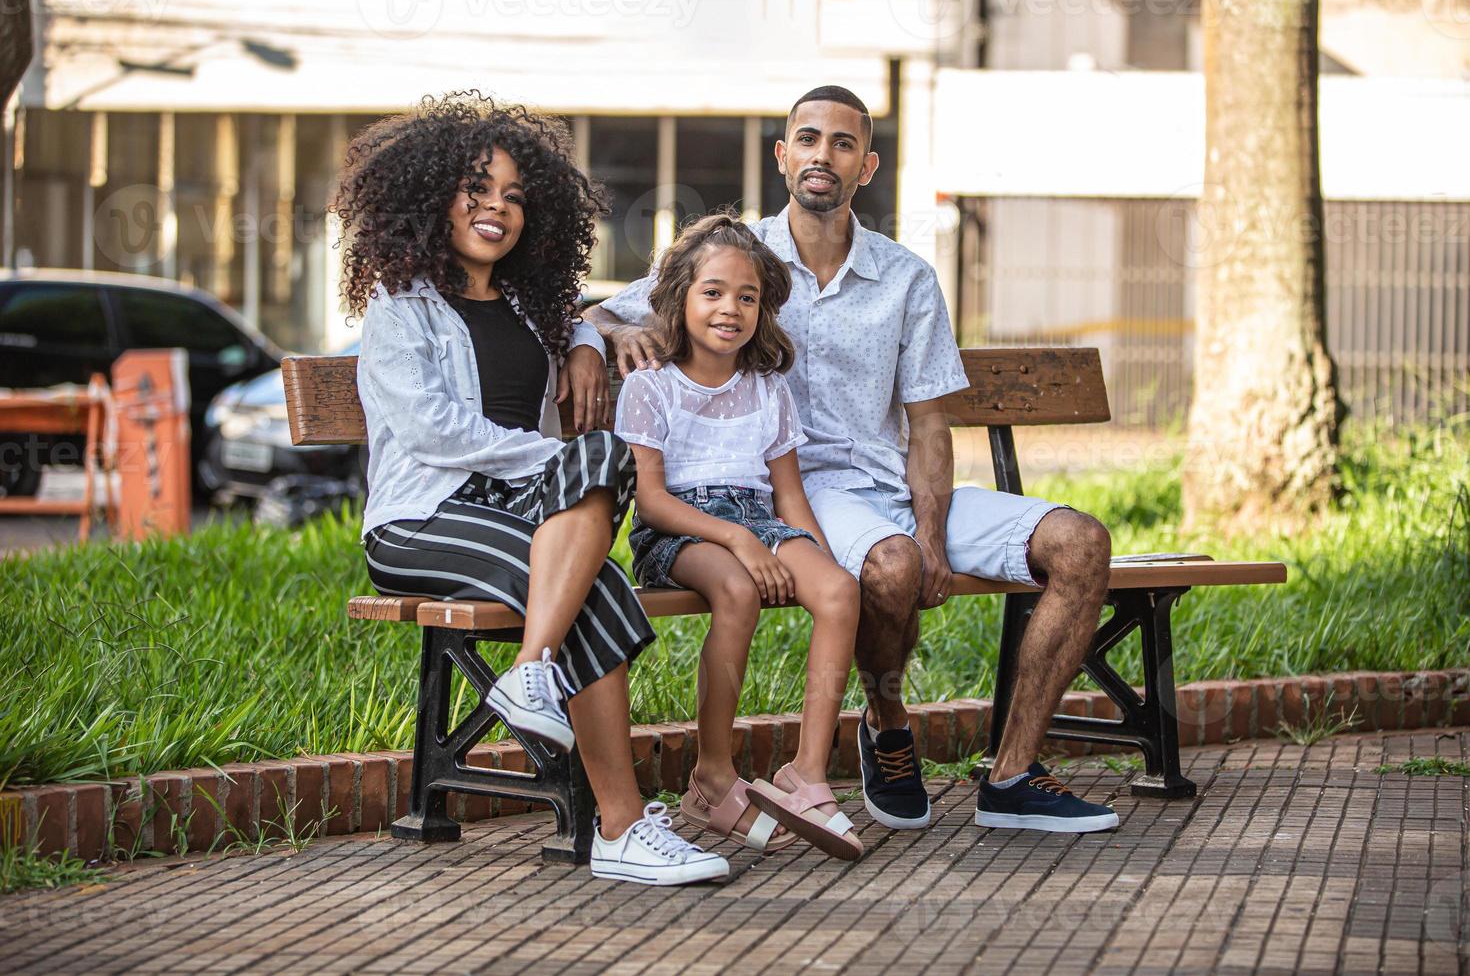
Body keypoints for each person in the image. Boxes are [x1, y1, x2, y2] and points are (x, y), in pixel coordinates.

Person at [585, 86, 1120, 835]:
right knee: (892, 566)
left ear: (865, 166)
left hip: (897, 486)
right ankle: (888, 723)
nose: (822, 156)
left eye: (842, 144)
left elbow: (930, 424)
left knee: (1081, 543)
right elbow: (605, 308)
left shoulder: (906, 278)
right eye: (807, 139)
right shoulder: (736, 261)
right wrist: (605, 338)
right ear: (783, 156)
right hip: (807, 493)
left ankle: (1012, 775)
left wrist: (934, 530)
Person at [338, 91, 729, 884]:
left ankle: (532, 671)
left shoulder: (526, 304)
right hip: (424, 520)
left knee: (600, 457)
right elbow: (431, 431)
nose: (497, 209)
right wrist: (539, 458)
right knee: (602, 587)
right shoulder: (400, 308)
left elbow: (587, 322)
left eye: (514, 197)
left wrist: (587, 341)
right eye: (477, 191)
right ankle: (619, 829)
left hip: (516, 518)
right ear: (429, 200)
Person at [615, 213, 863, 861]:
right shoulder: (650, 386)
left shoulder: (766, 389)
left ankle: (808, 774)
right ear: (679, 298)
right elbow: (652, 499)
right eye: (714, 292)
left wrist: (819, 564)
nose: (731, 309)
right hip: (681, 531)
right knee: (736, 589)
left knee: (839, 592)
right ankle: (712, 773)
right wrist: (739, 543)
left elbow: (788, 497)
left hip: (761, 519)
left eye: (747, 297)